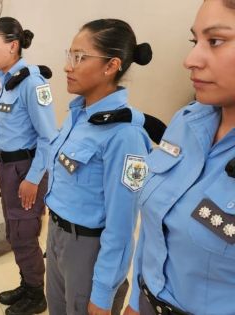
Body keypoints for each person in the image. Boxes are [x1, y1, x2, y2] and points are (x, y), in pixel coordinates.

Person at [124, 1, 235, 314]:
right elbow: (155, 220)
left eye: (215, 41)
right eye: (194, 41)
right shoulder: (187, 122)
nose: (190, 59)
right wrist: (137, 297)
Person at [44, 19, 154, 315]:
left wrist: (103, 293)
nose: (68, 66)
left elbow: (122, 224)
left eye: (78, 58)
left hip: (88, 251)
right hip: (57, 235)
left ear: (111, 66)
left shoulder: (125, 135)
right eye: (70, 55)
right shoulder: (79, 114)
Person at [0, 17, 57, 315]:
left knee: (24, 232)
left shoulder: (32, 83)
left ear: (13, 46)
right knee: (15, 231)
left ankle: (36, 295)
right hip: (7, 169)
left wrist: (33, 178)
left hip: (24, 170)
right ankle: (27, 283)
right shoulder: (5, 82)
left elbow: (49, 137)